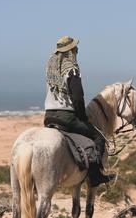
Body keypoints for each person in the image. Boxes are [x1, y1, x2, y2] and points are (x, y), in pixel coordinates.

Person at [44, 35, 114, 187]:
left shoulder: (52, 68)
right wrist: (82, 117)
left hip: (49, 117)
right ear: (70, 51)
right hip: (66, 117)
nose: (77, 50)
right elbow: (77, 97)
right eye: (75, 48)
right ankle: (96, 176)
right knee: (98, 137)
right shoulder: (72, 70)